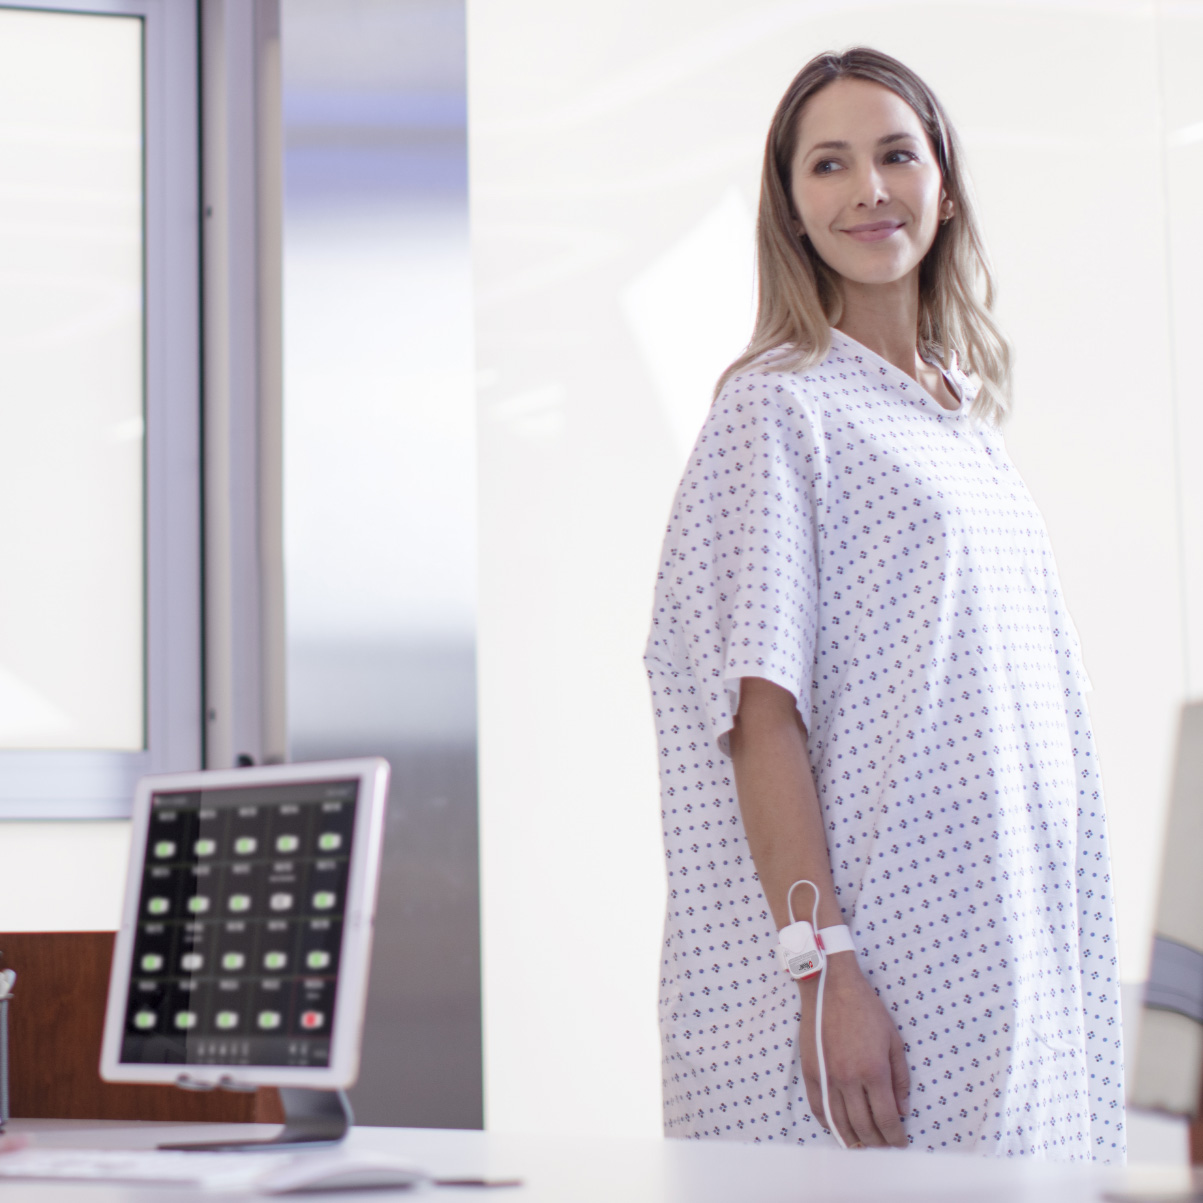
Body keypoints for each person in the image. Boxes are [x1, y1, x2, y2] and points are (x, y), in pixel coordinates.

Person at [644, 47, 1124, 1161]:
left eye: (896, 154)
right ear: (791, 209)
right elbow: (760, 720)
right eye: (829, 165)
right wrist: (827, 973)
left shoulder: (961, 419)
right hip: (880, 983)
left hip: (1005, 965)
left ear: (943, 186)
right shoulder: (777, 414)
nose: (869, 189)